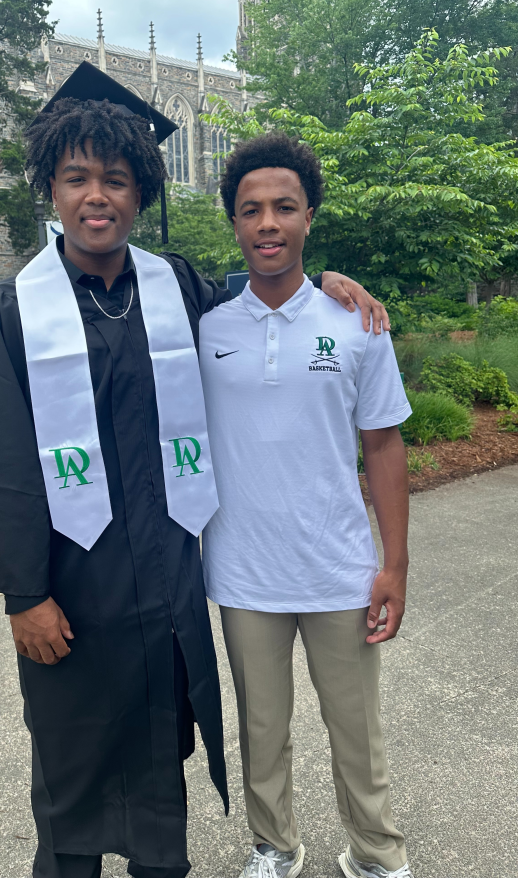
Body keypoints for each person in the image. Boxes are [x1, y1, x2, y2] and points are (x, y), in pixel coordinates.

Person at [0, 61, 391, 878]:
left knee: (159, 745)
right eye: (76, 178)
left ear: (140, 193)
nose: (97, 197)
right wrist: (23, 594)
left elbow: (260, 294)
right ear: (50, 187)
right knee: (73, 753)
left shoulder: (171, 288)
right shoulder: (12, 310)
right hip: (69, 583)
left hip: (161, 575)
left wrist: (324, 283)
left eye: (116, 180)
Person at [199, 132, 414, 878]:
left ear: (308, 217)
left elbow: (383, 447)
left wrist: (394, 566)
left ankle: (376, 853)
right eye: (251, 209)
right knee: (262, 729)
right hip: (241, 571)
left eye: (283, 207)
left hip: (338, 568)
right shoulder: (206, 328)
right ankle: (274, 846)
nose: (267, 223)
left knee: (355, 727)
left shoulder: (357, 323)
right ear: (233, 222)